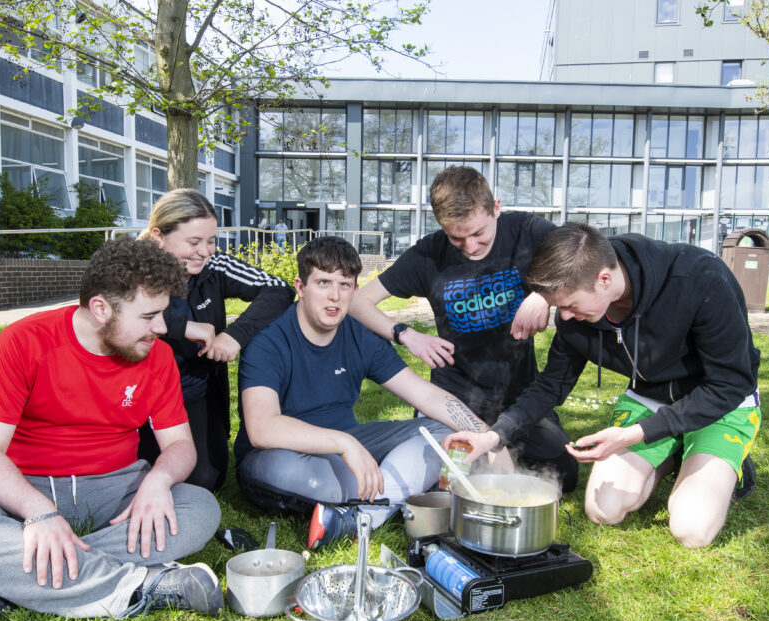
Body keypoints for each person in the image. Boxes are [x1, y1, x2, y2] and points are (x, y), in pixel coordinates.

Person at [0, 239, 224, 621]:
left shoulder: (155, 356)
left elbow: (180, 445)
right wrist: (38, 513)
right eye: (149, 316)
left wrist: (158, 483)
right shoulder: (24, 342)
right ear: (101, 308)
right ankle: (144, 586)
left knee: (199, 506)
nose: (161, 328)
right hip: (22, 491)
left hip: (118, 489)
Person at [443, 223, 761, 548]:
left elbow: (730, 383)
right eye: (557, 307)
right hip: (651, 399)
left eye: (569, 306)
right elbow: (549, 387)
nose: (564, 318)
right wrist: (493, 437)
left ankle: (718, 459)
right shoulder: (579, 315)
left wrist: (634, 435)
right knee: (602, 510)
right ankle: (670, 453)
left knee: (691, 531)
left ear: (604, 280)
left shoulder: (700, 277)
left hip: (719, 406)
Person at [232, 237, 502, 550]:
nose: (334, 297)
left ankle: (361, 516)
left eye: (345, 285)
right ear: (301, 287)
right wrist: (345, 444)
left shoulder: (360, 335)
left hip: (351, 443)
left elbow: (426, 396)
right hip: (284, 454)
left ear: (355, 291)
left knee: (443, 431)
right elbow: (262, 428)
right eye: (323, 283)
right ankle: (385, 493)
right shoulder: (268, 340)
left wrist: (489, 437)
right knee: (295, 472)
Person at [349, 165, 578, 492]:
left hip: (519, 396)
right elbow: (358, 302)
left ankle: (498, 453)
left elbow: (580, 256)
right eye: (457, 237)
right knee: (447, 481)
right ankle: (481, 455)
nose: (470, 247)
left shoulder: (528, 231)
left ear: (495, 208)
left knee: (564, 474)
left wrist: (544, 294)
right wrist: (405, 334)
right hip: (454, 398)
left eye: (478, 234)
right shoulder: (428, 254)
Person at [137, 189, 293, 491]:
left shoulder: (214, 264)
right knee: (133, 471)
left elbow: (278, 290)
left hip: (194, 390)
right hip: (138, 392)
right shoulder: (131, 265)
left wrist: (235, 335)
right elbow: (111, 312)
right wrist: (184, 327)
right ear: (159, 236)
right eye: (193, 242)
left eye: (211, 240)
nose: (205, 251)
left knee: (205, 480)